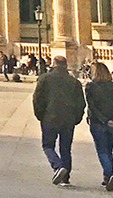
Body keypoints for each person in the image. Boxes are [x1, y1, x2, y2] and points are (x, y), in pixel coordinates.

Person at [32, 55, 86, 185]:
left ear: (53, 64)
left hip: (49, 117)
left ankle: (57, 166)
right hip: (68, 119)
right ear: (66, 66)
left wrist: (41, 115)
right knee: (65, 148)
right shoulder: (74, 82)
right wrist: (76, 118)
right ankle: (65, 178)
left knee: (48, 145)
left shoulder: (45, 78)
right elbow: (81, 103)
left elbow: (37, 99)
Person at [84, 62, 113, 191]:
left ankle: (110, 173)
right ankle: (107, 177)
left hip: (98, 123)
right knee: (108, 150)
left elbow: (92, 106)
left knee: (102, 150)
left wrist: (104, 120)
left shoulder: (90, 87)